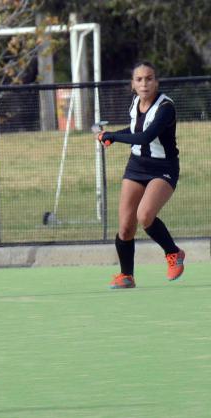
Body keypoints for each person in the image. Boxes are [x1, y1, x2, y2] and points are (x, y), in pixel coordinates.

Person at [98, 61, 185, 289]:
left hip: (163, 168)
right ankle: (126, 276)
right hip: (136, 166)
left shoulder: (166, 107)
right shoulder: (135, 102)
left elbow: (146, 136)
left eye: (149, 78)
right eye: (139, 79)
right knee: (125, 227)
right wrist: (112, 134)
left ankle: (173, 253)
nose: (144, 83)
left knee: (145, 216)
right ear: (132, 84)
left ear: (156, 82)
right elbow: (135, 130)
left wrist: (114, 138)